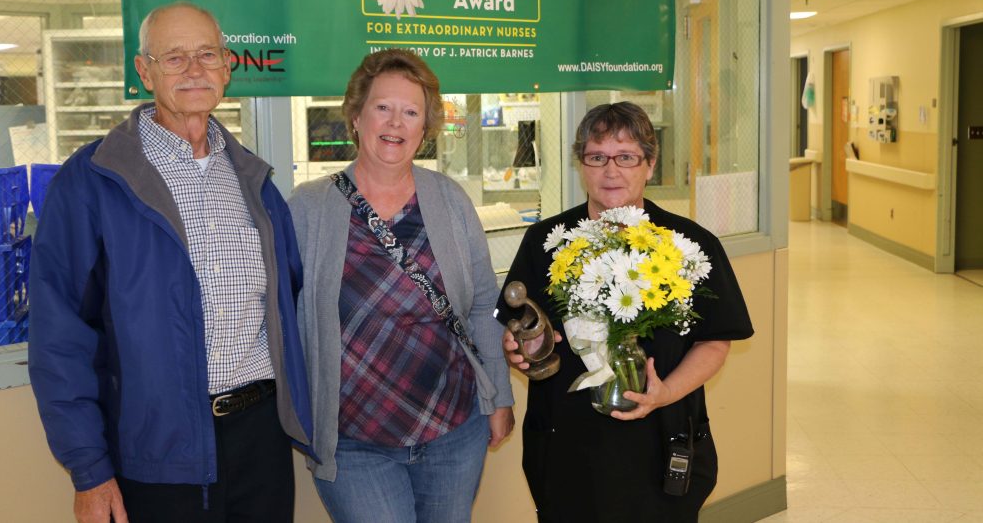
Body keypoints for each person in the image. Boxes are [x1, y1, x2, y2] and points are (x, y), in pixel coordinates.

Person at [28, 1, 313, 523]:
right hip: (156, 451)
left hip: (261, 440)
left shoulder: (253, 182)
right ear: (144, 71)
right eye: (174, 57)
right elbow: (60, 333)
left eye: (207, 54)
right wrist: (89, 468)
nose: (195, 69)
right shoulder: (95, 180)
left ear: (228, 66)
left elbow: (286, 305)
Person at [497, 101, 753, 522]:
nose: (610, 170)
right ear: (581, 165)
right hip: (568, 447)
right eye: (596, 157)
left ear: (650, 165)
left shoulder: (690, 245)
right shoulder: (546, 242)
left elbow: (715, 341)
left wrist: (665, 393)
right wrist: (518, 350)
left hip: (659, 440)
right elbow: (520, 328)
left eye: (626, 157)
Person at [288, 48, 514, 523]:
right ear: (356, 116)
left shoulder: (450, 200)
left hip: (453, 428)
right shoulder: (308, 208)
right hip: (353, 440)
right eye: (382, 107)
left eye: (411, 111)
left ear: (425, 126)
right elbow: (284, 320)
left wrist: (500, 398)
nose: (396, 123)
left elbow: (482, 306)